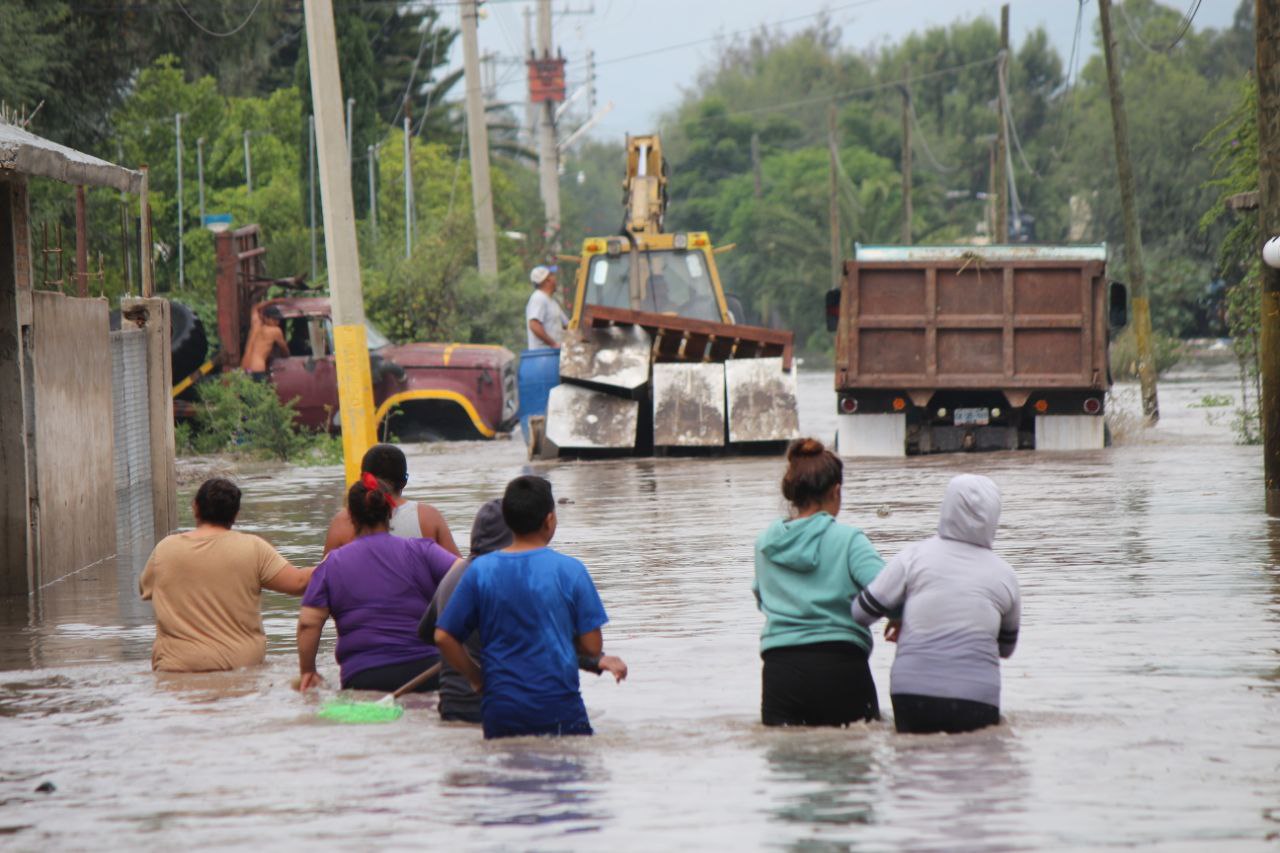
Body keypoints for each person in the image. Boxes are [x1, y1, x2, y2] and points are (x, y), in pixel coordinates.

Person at [434, 476, 627, 738]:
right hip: (559, 709)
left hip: (500, 712)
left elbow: (444, 637)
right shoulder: (571, 571)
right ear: (549, 520)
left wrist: (477, 678)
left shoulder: (480, 571)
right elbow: (591, 647)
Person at [852, 474, 1021, 735]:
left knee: (913, 769)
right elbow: (1005, 648)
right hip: (977, 697)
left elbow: (861, 612)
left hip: (911, 694)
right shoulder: (1006, 576)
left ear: (947, 509)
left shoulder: (913, 557)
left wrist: (902, 616)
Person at [753, 437, 888, 727]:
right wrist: (900, 618)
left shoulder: (764, 544)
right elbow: (888, 591)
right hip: (839, 666)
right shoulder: (849, 540)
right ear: (836, 491)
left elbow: (761, 596)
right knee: (850, 760)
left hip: (780, 673)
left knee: (790, 765)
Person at [297, 474, 463, 693]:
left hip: (364, 677)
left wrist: (307, 671)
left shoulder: (331, 565)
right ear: (391, 511)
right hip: (427, 672)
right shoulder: (422, 551)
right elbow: (468, 578)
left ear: (351, 517)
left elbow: (308, 624)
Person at [140, 478, 313, 672]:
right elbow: (299, 583)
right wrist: (342, 558)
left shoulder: (165, 549)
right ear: (235, 514)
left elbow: (145, 590)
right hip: (241, 667)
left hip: (176, 667)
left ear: (195, 507)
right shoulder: (253, 548)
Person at [416, 499, 513, 723]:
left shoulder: (452, 575)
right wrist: (476, 676)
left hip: (452, 705)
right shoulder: (509, 578)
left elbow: (428, 634)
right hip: (497, 706)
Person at [322, 443, 459, 556]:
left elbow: (322, 579)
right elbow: (459, 573)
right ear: (404, 481)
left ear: (363, 479)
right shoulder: (428, 516)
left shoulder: (343, 519)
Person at [240, 303, 288, 379]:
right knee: (261, 390)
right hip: (257, 369)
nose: (277, 322)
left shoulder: (255, 324)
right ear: (265, 318)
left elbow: (255, 307)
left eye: (278, 319)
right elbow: (285, 350)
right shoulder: (275, 331)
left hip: (245, 369)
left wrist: (273, 301)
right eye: (274, 319)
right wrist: (287, 356)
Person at [526, 265, 567, 350]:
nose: (555, 279)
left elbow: (567, 325)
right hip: (543, 355)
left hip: (553, 354)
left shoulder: (552, 302)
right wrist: (553, 344)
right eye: (552, 275)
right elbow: (534, 325)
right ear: (547, 280)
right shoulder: (538, 298)